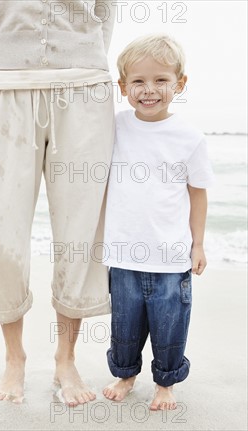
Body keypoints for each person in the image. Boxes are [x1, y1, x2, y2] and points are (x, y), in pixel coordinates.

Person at [0, 1, 116, 405]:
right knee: (1, 232)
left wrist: (86, 68)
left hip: (84, 92)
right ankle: (14, 358)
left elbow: (105, 13)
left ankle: (66, 357)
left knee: (81, 233)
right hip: (2, 92)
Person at [102, 34, 215, 410]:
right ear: (123, 87)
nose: (149, 90)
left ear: (179, 84)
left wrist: (197, 244)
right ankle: (125, 374)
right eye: (137, 81)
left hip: (170, 256)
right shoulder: (115, 127)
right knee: (124, 326)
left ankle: (166, 382)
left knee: (170, 325)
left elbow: (198, 192)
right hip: (122, 253)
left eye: (161, 80)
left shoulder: (189, 138)